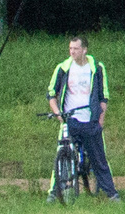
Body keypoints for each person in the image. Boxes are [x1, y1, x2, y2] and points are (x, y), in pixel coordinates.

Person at [46, 36, 119, 201]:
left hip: (90, 121)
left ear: (84, 50)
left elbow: (103, 96)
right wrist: (58, 113)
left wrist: (101, 118)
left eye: (76, 49)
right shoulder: (63, 68)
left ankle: (111, 193)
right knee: (62, 156)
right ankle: (55, 192)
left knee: (99, 158)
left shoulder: (97, 68)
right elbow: (51, 94)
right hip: (70, 120)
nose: (72, 52)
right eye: (70, 48)